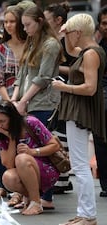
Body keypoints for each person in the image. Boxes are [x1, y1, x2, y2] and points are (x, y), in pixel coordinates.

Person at [53, 14, 106, 225]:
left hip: (80, 111)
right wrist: (64, 33)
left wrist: (63, 87)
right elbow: (70, 52)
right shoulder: (90, 51)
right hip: (79, 110)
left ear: (78, 32)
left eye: (71, 33)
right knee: (80, 163)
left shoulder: (91, 53)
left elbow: (90, 88)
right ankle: (85, 213)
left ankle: (88, 215)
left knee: (80, 164)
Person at [11, 6, 64, 210]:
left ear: (40, 21)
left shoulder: (50, 44)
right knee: (28, 147)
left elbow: (43, 78)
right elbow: (22, 73)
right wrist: (15, 99)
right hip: (27, 100)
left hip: (43, 102)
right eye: (22, 26)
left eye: (28, 25)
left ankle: (45, 196)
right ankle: (32, 195)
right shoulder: (32, 41)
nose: (25, 29)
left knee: (43, 147)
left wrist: (22, 100)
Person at [0, 101, 60, 215]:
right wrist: (11, 138)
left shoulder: (30, 122)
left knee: (21, 158)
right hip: (24, 170)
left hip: (47, 169)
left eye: (3, 121)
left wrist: (32, 151)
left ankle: (36, 202)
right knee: (8, 177)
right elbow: (8, 164)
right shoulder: (0, 134)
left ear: (12, 119)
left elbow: (54, 145)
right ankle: (31, 198)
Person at [0, 5, 27, 200]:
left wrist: (20, 100)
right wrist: (10, 103)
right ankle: (4, 184)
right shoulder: (2, 48)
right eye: (5, 22)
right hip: (5, 104)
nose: (8, 25)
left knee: (23, 146)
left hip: (27, 100)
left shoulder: (31, 44)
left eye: (12, 21)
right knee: (4, 147)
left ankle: (22, 189)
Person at [43, 2, 76, 196]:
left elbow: (76, 69)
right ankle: (62, 179)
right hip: (54, 93)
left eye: (47, 20)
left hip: (66, 93)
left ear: (58, 20)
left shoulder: (67, 41)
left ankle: (63, 180)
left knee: (62, 135)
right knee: (56, 133)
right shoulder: (51, 40)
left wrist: (53, 69)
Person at [93, 5, 107, 198]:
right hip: (100, 97)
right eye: (104, 23)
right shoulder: (98, 43)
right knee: (101, 142)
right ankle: (105, 184)